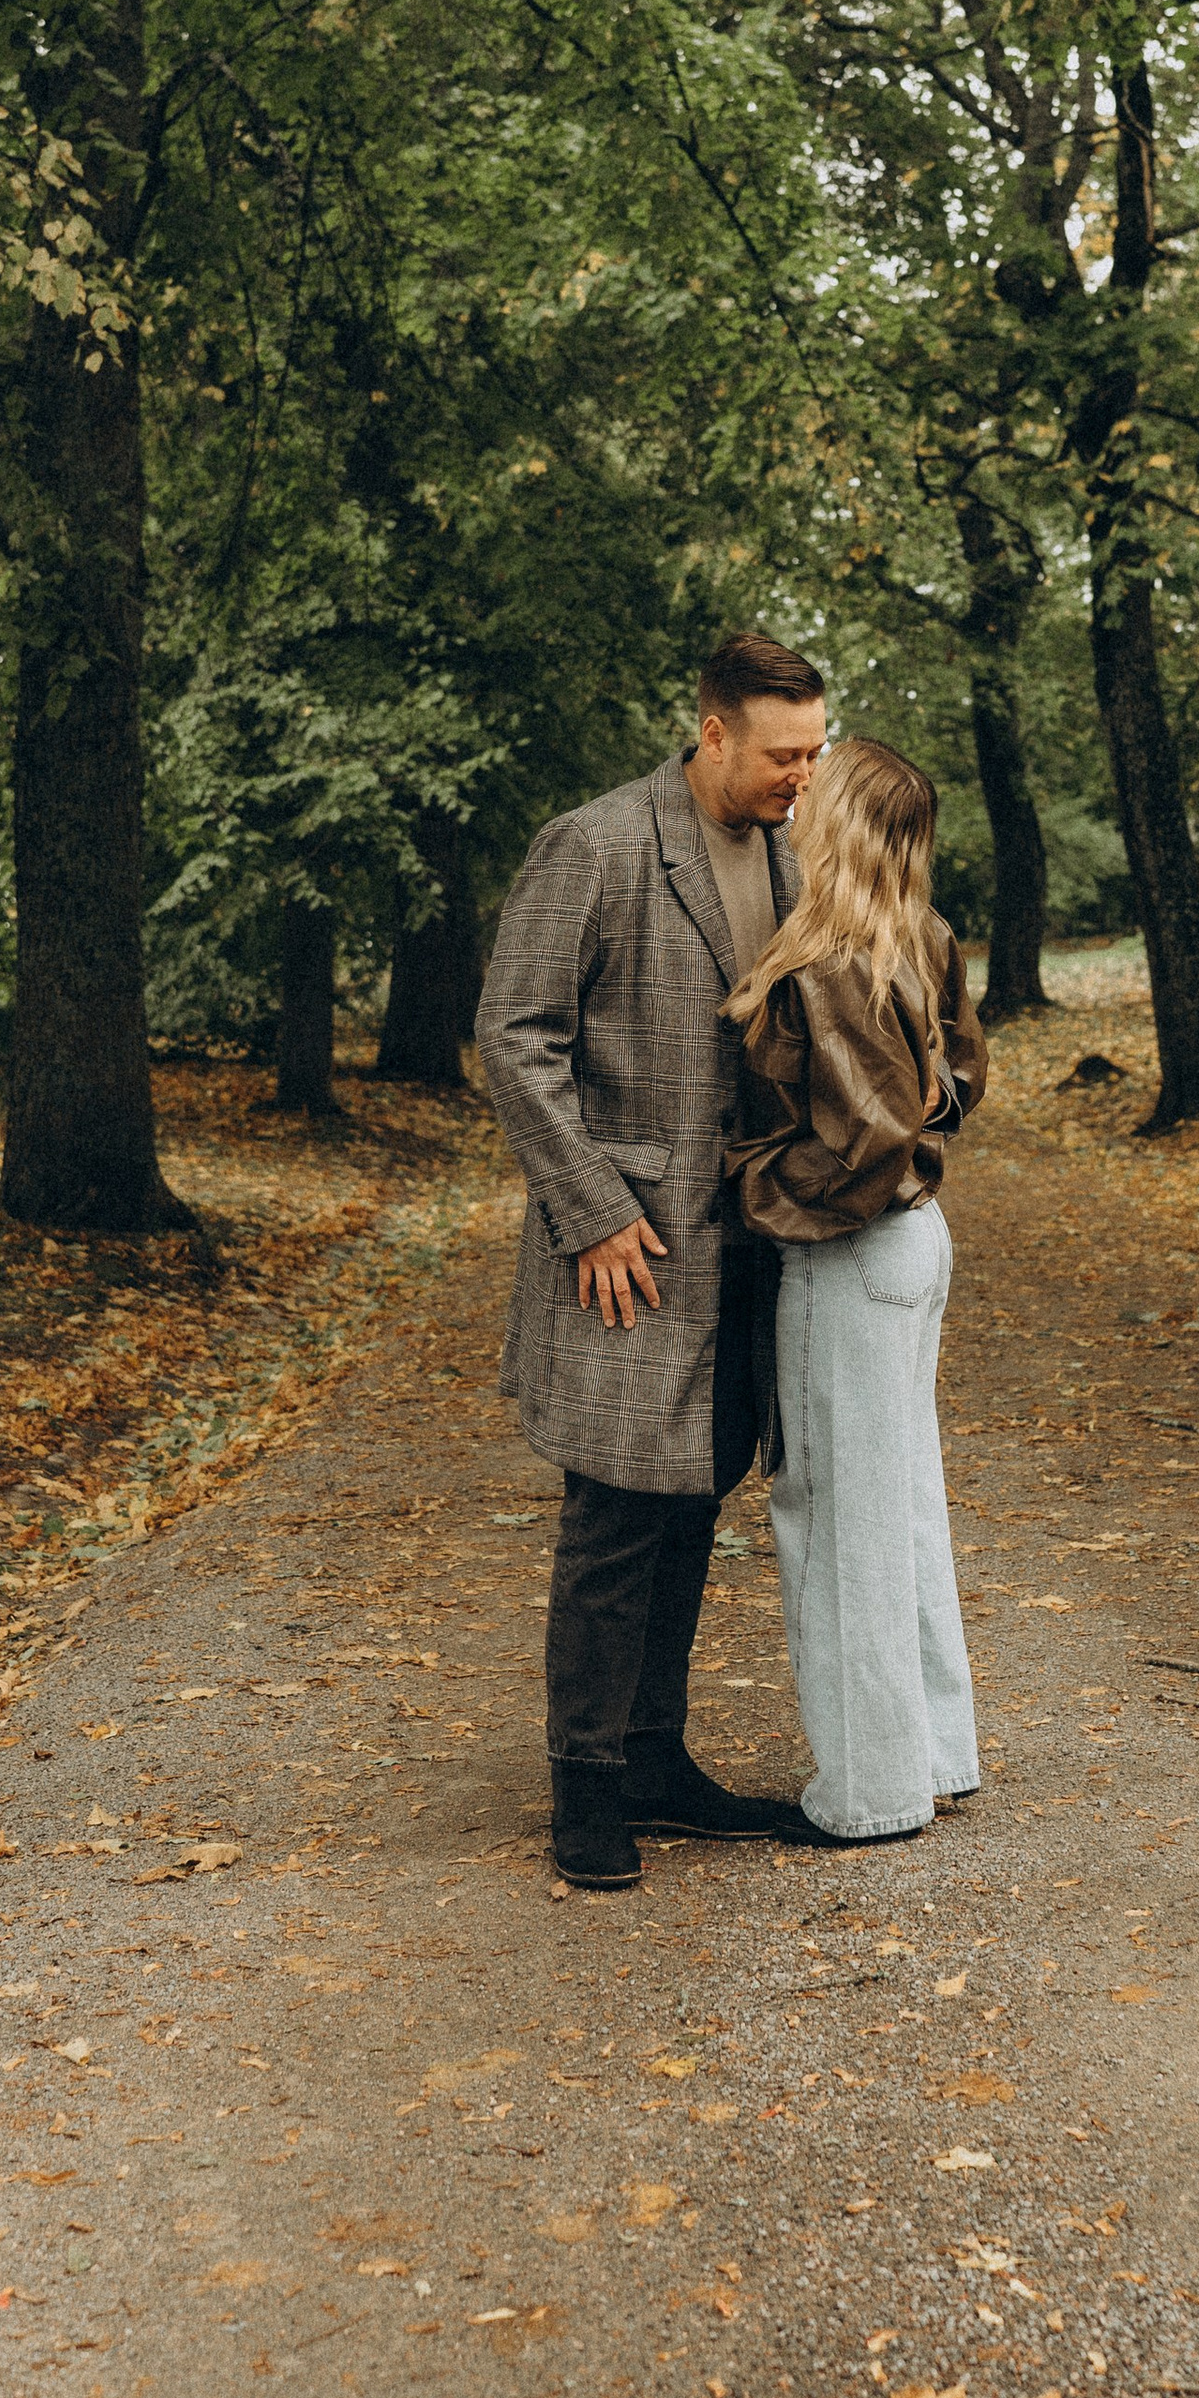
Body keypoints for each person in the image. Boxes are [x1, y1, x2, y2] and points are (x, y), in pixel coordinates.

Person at [477, 631, 830, 1890]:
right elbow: (514, 1040)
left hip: (744, 1240)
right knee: (618, 1513)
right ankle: (584, 1793)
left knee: (698, 1494)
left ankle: (655, 1758)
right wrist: (589, 1211)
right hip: (623, 1246)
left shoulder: (791, 851)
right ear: (714, 731)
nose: (803, 774)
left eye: (816, 750)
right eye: (783, 753)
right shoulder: (597, 843)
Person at [721, 740, 988, 1849]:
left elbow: (869, 1148)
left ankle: (871, 1793)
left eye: (814, 795)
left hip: (856, 1249)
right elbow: (960, 1082)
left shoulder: (832, 960)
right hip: (910, 1245)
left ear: (842, 826)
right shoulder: (916, 939)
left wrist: (751, 1181)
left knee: (838, 1521)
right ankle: (933, 1751)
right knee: (902, 1505)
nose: (794, 803)